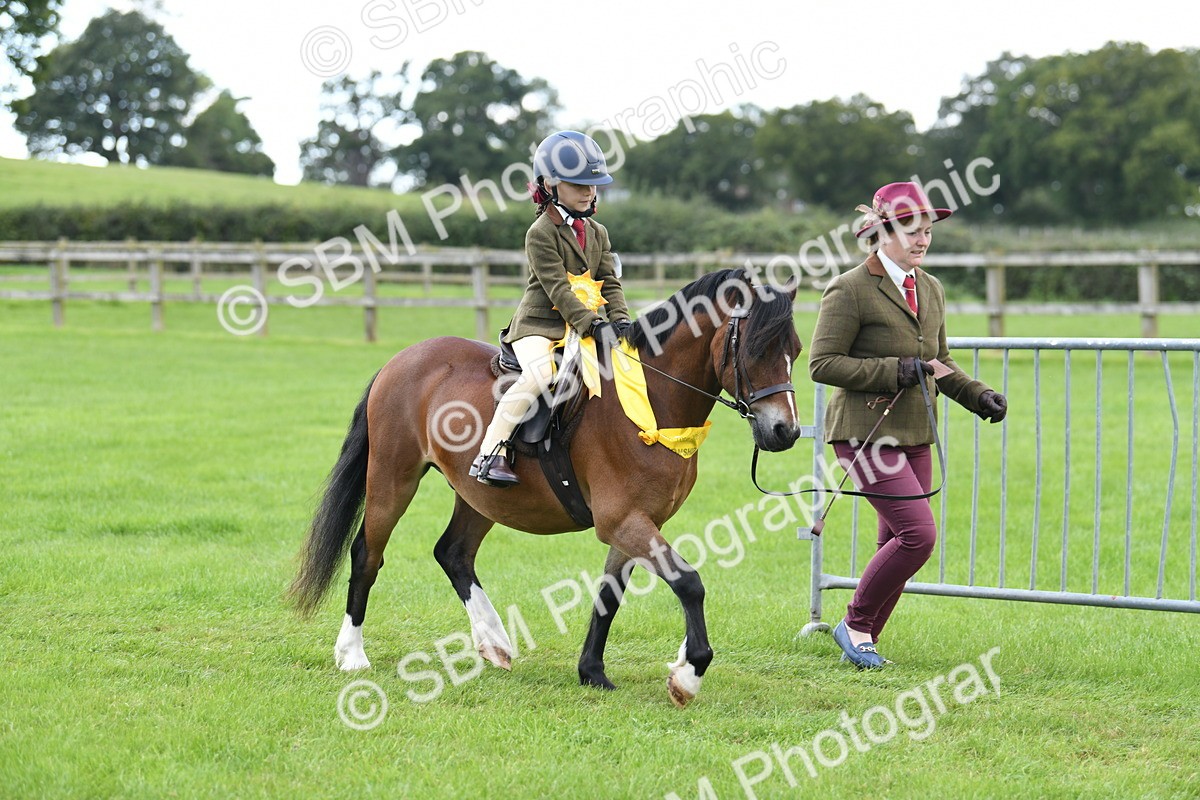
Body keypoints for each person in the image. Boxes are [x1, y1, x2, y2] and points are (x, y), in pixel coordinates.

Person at [808, 181, 1007, 669]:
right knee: (918, 536)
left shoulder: (932, 288)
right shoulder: (849, 288)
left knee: (894, 541)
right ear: (881, 233)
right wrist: (891, 369)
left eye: (927, 233)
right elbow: (822, 363)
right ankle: (854, 625)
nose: (922, 241)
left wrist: (977, 395)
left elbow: (938, 362)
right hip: (863, 434)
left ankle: (864, 641)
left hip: (918, 430)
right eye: (911, 232)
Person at [471, 130, 632, 487]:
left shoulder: (598, 232)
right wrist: (593, 325)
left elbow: (610, 281)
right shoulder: (540, 233)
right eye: (579, 186)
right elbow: (557, 289)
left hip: (582, 327)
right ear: (551, 184)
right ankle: (490, 453)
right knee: (541, 375)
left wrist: (621, 322)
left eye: (593, 186)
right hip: (538, 327)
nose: (589, 193)